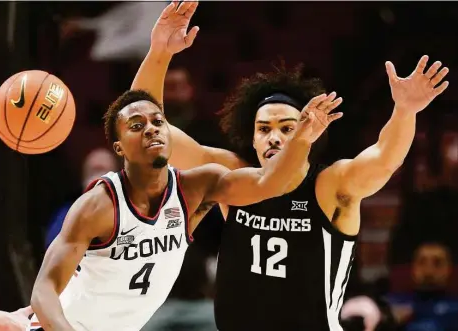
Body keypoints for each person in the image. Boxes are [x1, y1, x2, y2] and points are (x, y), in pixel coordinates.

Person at [132, 2, 450, 330]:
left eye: (287, 128)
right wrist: (158, 53)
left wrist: (405, 112)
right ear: (251, 138)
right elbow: (146, 130)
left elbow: (385, 157)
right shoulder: (231, 177)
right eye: (264, 129)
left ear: (308, 132)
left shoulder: (330, 185)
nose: (274, 138)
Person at [28, 70, 343, 330]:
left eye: (158, 122)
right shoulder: (99, 204)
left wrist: (301, 139)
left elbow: (269, 182)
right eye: (137, 126)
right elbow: (44, 291)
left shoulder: (196, 188)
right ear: (119, 148)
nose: (151, 129)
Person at [387, 242, 458, 331]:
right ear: (413, 267)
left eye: (437, 263)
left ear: (449, 269)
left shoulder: (455, 309)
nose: (429, 271)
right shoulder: (391, 305)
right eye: (421, 262)